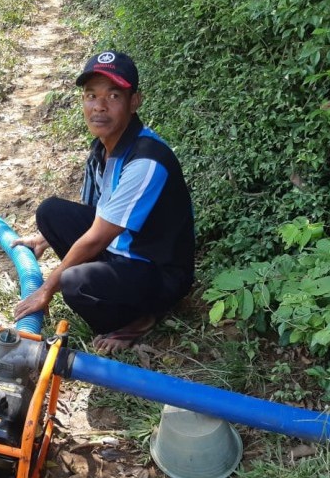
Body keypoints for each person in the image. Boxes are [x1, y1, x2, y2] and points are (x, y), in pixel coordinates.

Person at [12, 50, 195, 354]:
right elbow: (95, 211)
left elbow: (97, 236)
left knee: (73, 283)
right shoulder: (103, 148)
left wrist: (46, 290)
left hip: (158, 270)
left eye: (113, 96)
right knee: (50, 213)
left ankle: (140, 319)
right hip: (124, 247)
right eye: (91, 95)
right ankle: (109, 285)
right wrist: (48, 237)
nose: (99, 106)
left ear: (134, 101)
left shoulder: (146, 161)